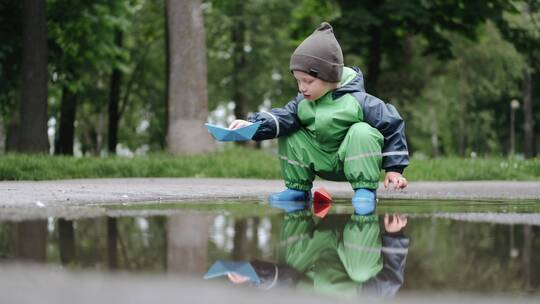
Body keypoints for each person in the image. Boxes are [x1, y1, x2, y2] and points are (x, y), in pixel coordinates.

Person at [229, 22, 409, 214]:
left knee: (362, 131)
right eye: (298, 80)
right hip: (320, 159)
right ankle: (297, 189)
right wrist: (252, 125)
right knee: (290, 131)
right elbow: (282, 117)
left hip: (352, 160)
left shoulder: (360, 101)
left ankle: (365, 190)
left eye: (308, 81)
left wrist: (394, 169)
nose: (301, 87)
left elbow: (393, 124)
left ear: (330, 76)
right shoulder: (302, 102)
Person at [225, 211, 410, 298]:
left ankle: (296, 208)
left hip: (316, 242)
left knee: (291, 264)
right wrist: (394, 233)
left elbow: (284, 278)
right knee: (362, 272)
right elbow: (392, 276)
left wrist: (251, 274)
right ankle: (364, 212)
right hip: (356, 237)